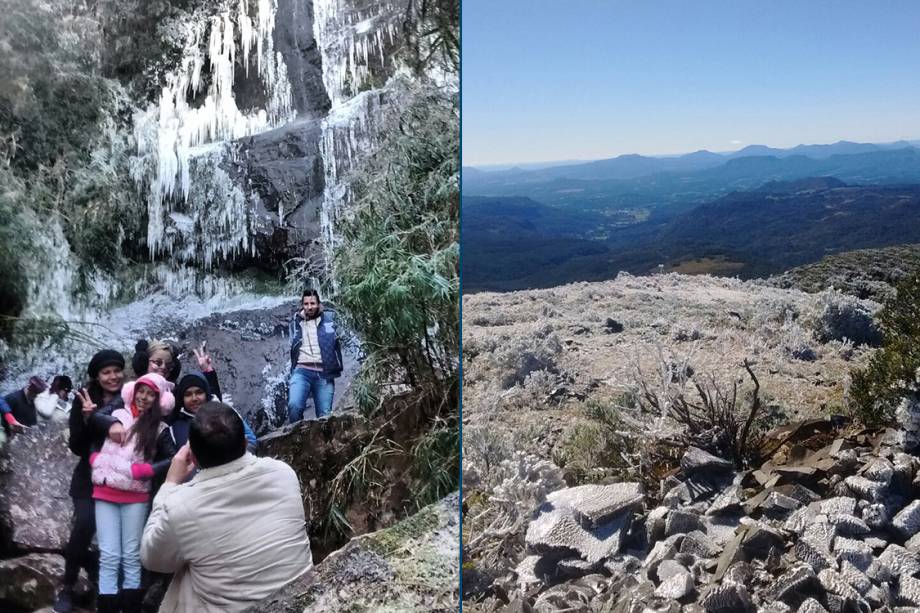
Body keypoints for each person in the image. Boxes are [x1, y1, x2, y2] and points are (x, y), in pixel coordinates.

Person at [141, 402, 313, 612]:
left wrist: (169, 485)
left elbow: (151, 558)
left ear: (192, 457)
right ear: (243, 443)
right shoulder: (282, 472)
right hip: (302, 601)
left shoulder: (182, 505)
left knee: (185, 573)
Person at [90, 373, 177, 613]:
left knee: (130, 555)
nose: (144, 397)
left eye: (150, 394)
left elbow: (173, 458)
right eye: (141, 391)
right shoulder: (115, 416)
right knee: (108, 555)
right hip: (105, 489)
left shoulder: (160, 428)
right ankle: (106, 608)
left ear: (159, 400)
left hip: (135, 495)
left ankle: (130, 608)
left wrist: (147, 469)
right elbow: (93, 432)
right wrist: (95, 457)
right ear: (133, 391)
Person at [54, 350, 126, 613]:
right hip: (88, 476)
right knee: (84, 524)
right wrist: (87, 419)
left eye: (116, 370)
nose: (113, 376)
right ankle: (68, 586)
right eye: (106, 372)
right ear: (97, 376)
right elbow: (76, 446)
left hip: (120, 477)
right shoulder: (84, 398)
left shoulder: (129, 396)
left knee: (115, 537)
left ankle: (111, 592)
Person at [287, 289, 343, 423]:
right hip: (302, 371)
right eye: (306, 304)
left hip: (325, 372)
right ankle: (297, 438)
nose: (310, 307)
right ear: (302, 305)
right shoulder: (296, 322)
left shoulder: (330, 319)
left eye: (313, 303)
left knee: (325, 417)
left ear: (319, 304)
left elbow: (342, 337)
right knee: (293, 406)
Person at [171, 372, 257, 452]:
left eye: (199, 392)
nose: (194, 398)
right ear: (182, 399)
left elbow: (250, 439)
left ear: (207, 394)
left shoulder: (225, 411)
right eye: (188, 394)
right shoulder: (175, 427)